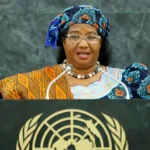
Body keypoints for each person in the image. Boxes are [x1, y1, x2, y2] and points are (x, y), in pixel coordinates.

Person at [0, 5, 150, 100]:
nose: (83, 44)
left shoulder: (126, 82)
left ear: (100, 42)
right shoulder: (39, 83)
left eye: (91, 37)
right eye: (74, 36)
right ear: (63, 42)